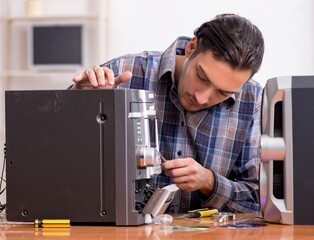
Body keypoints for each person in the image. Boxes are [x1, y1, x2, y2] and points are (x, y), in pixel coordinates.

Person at [71, 13, 265, 213]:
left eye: (223, 93)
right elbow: (54, 156)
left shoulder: (253, 101)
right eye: (202, 77)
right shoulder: (122, 73)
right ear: (191, 47)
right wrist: (80, 101)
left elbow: (258, 200)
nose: (202, 98)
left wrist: (209, 182)